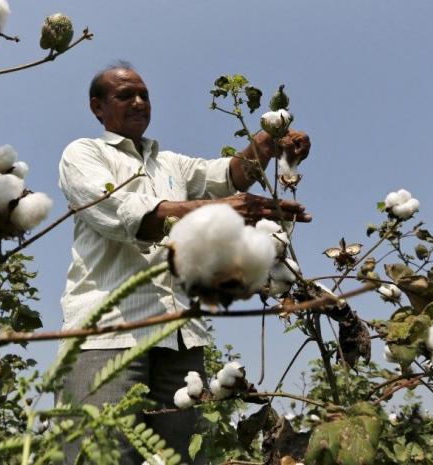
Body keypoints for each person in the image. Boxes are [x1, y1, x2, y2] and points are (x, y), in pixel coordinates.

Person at [56, 63, 311, 464]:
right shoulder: (83, 154)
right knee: (99, 454)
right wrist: (213, 210)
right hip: (105, 336)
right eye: (125, 95)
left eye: (144, 95)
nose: (139, 102)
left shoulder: (170, 163)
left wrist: (268, 143)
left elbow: (230, 174)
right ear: (97, 107)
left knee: (184, 458)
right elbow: (122, 213)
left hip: (181, 339)